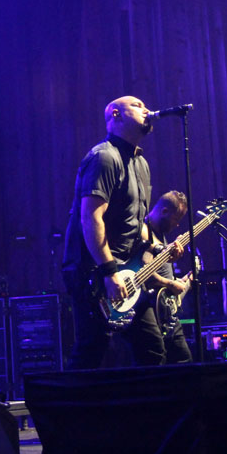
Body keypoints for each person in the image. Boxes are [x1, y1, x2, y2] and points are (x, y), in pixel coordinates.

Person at [62, 95, 181, 369]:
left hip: (128, 272)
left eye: (146, 106)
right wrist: (109, 271)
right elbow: (91, 217)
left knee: (152, 350)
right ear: (116, 114)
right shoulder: (104, 157)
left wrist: (159, 250)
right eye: (137, 106)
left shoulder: (142, 164)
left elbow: (135, 223)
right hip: (93, 270)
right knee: (91, 352)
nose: (146, 110)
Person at [145, 190, 194, 364]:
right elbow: (144, 273)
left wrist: (182, 281)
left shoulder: (162, 236)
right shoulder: (145, 233)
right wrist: (171, 284)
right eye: (176, 219)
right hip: (150, 310)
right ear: (164, 211)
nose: (177, 225)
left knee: (184, 360)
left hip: (167, 312)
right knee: (156, 359)